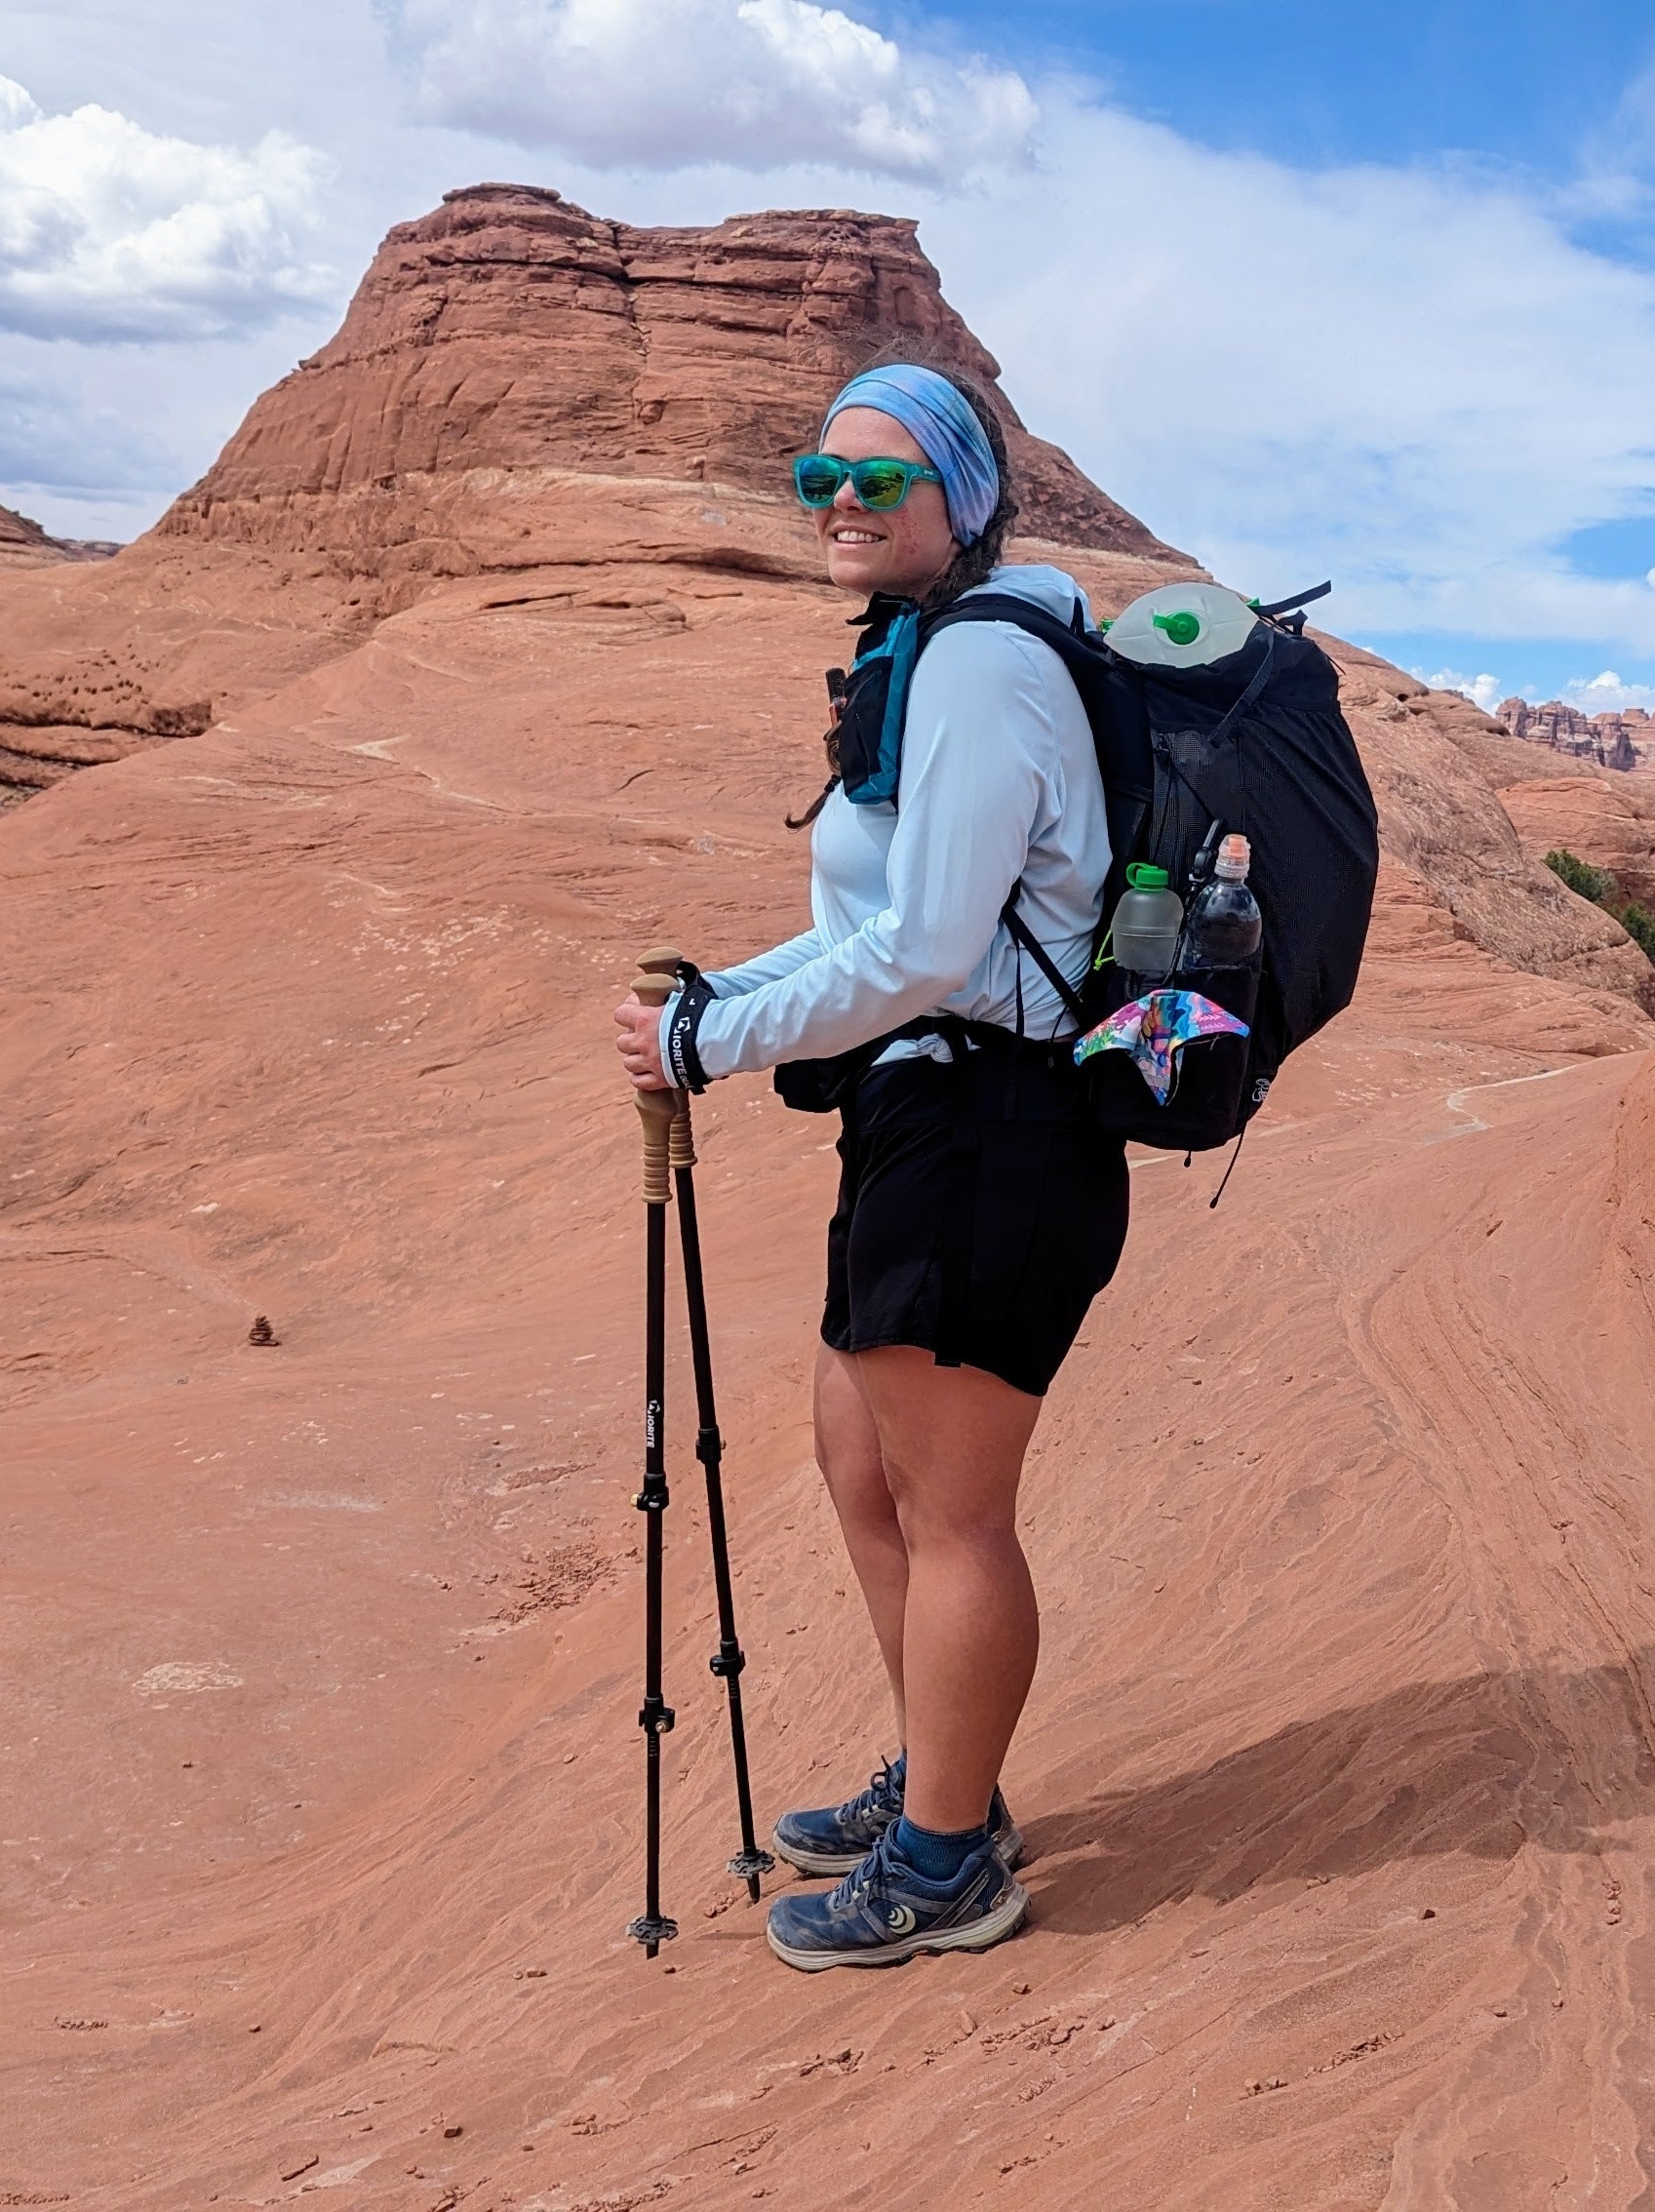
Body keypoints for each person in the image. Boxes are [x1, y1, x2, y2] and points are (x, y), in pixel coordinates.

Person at [609, 361, 1126, 1971]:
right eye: (815, 476)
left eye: (879, 480)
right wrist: (727, 999)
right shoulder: (918, 652)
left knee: (956, 1512)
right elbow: (861, 930)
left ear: (959, 500)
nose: (841, 502)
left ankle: (954, 1858)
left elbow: (926, 945)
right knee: (863, 1468)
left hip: (997, 1129)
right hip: (925, 1116)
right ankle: (942, 1778)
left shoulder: (980, 663)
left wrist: (715, 1045)